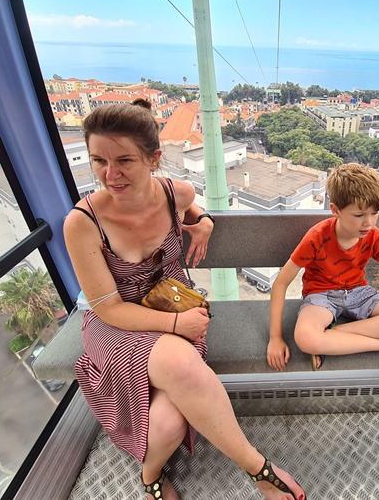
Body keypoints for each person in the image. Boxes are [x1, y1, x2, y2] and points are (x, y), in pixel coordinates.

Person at [65, 99, 305, 500]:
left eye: (124, 160)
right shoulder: (83, 223)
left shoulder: (176, 192)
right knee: (178, 361)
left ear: (154, 159)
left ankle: (149, 475)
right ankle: (260, 470)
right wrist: (178, 326)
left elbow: (191, 207)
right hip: (118, 325)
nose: (110, 174)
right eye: (98, 161)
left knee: (169, 423)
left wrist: (204, 222)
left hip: (171, 303)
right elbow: (107, 307)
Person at [267, 162, 379, 372]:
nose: (369, 223)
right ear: (335, 210)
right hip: (321, 296)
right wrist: (275, 338)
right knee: (305, 338)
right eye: (359, 215)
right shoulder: (317, 237)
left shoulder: (374, 236)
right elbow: (281, 283)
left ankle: (335, 335)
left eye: (375, 213)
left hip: (360, 293)